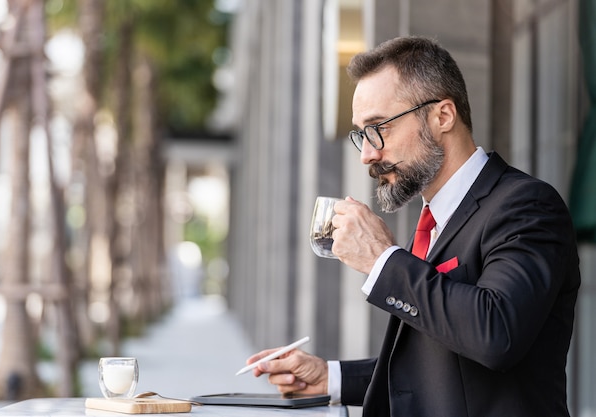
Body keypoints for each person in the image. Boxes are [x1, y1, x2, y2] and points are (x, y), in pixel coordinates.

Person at [245, 36, 581, 417]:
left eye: (379, 128)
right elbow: (439, 366)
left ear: (443, 116)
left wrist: (383, 261)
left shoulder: (527, 205)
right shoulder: (435, 219)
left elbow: (495, 334)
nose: (367, 155)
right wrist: (331, 378)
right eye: (361, 135)